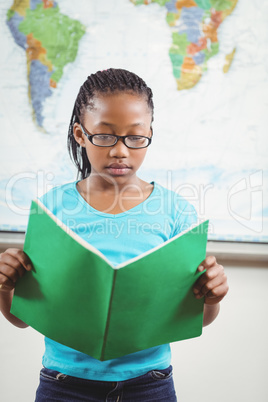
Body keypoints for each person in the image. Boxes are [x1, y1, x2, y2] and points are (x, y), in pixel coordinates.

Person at [0, 68, 228, 401]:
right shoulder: (52, 210)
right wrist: (5, 286)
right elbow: (22, 319)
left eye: (136, 137)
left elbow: (198, 319)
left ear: (150, 133)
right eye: (105, 136)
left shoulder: (176, 212)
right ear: (80, 134)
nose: (121, 150)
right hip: (64, 383)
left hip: (150, 383)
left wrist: (213, 297)